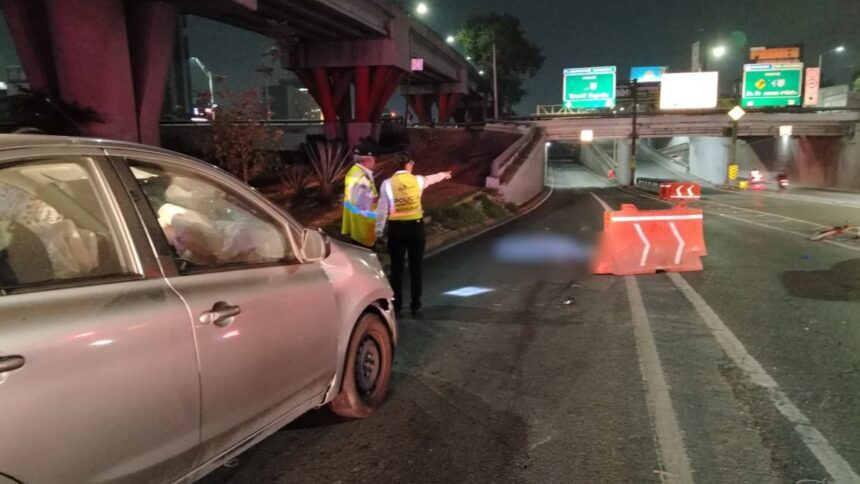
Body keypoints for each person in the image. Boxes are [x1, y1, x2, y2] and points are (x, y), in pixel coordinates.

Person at [376, 156, 452, 317]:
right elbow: (432, 179)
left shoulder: (387, 184)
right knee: (415, 268)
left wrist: (379, 231)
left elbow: (382, 209)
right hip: (416, 229)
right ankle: (416, 306)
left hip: (396, 230)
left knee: (396, 270)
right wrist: (444, 174)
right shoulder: (417, 180)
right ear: (408, 164)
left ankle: (396, 308)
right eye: (412, 163)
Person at [341, 146, 379, 248]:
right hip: (364, 230)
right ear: (367, 160)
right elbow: (364, 206)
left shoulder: (353, 171)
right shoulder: (363, 179)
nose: (374, 162)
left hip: (355, 226)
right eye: (374, 159)